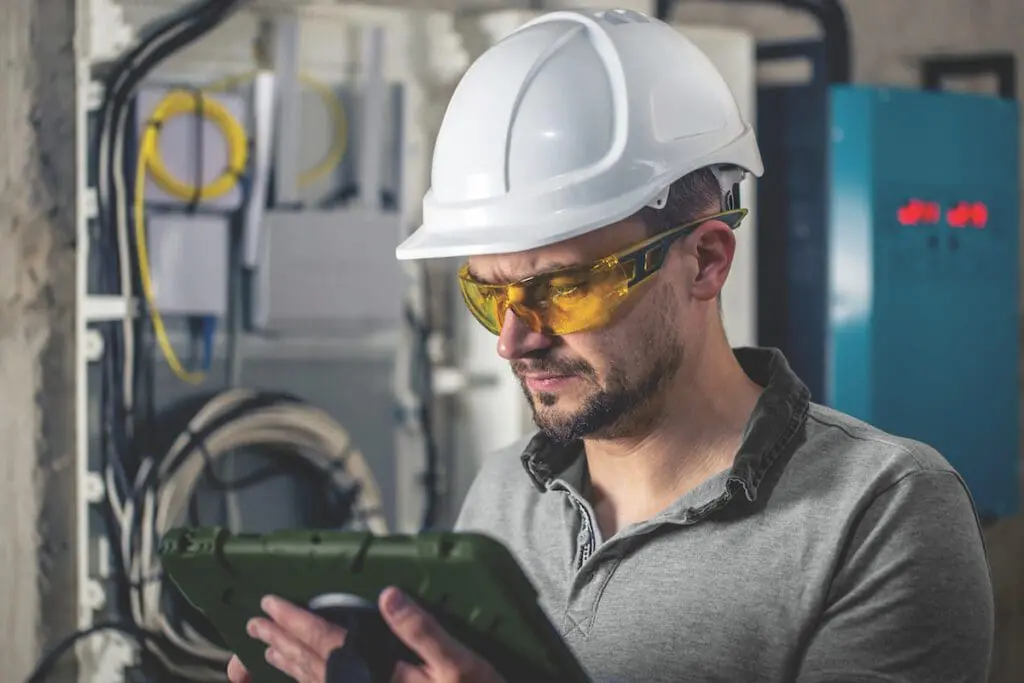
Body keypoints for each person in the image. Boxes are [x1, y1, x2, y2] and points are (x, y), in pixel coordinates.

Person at [228, 8, 994, 683]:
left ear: (705, 260)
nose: (513, 340)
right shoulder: (504, 494)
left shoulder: (881, 512)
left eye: (562, 286)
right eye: (489, 292)